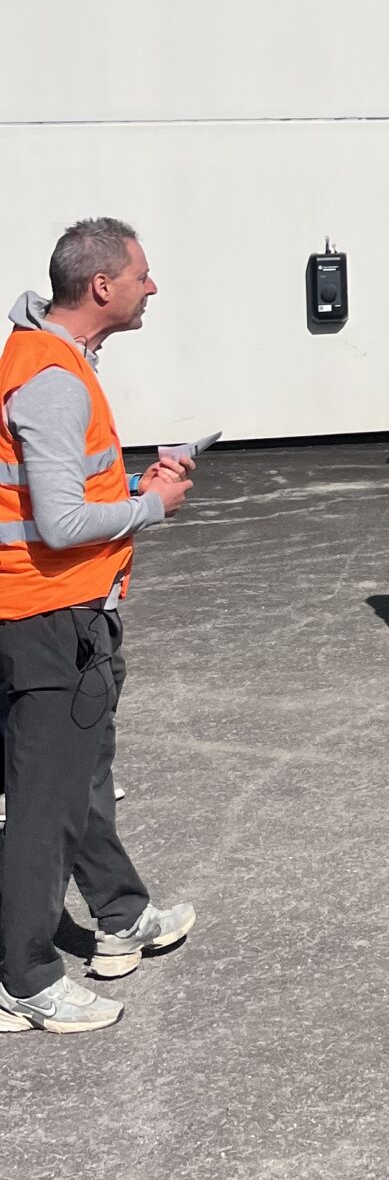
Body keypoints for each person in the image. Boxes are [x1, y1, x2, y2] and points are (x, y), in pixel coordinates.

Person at [0, 220, 194, 1034]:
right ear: (102, 286)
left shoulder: (52, 361)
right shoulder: (52, 377)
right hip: (50, 618)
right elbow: (60, 521)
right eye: (143, 275)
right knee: (43, 808)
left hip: (52, 613)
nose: (154, 287)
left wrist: (136, 488)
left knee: (75, 781)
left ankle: (120, 913)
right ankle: (26, 978)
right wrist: (154, 505)